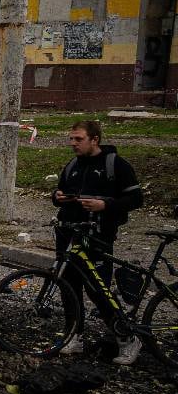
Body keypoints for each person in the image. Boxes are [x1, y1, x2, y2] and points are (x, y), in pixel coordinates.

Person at [52, 119, 144, 365]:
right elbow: (59, 192)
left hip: (98, 236)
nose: (73, 143)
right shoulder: (72, 165)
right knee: (68, 287)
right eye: (71, 138)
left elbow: (136, 198)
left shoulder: (115, 165)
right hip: (69, 234)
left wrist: (106, 205)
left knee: (97, 290)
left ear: (95, 140)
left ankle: (127, 339)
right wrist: (57, 197)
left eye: (78, 139)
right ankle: (74, 336)